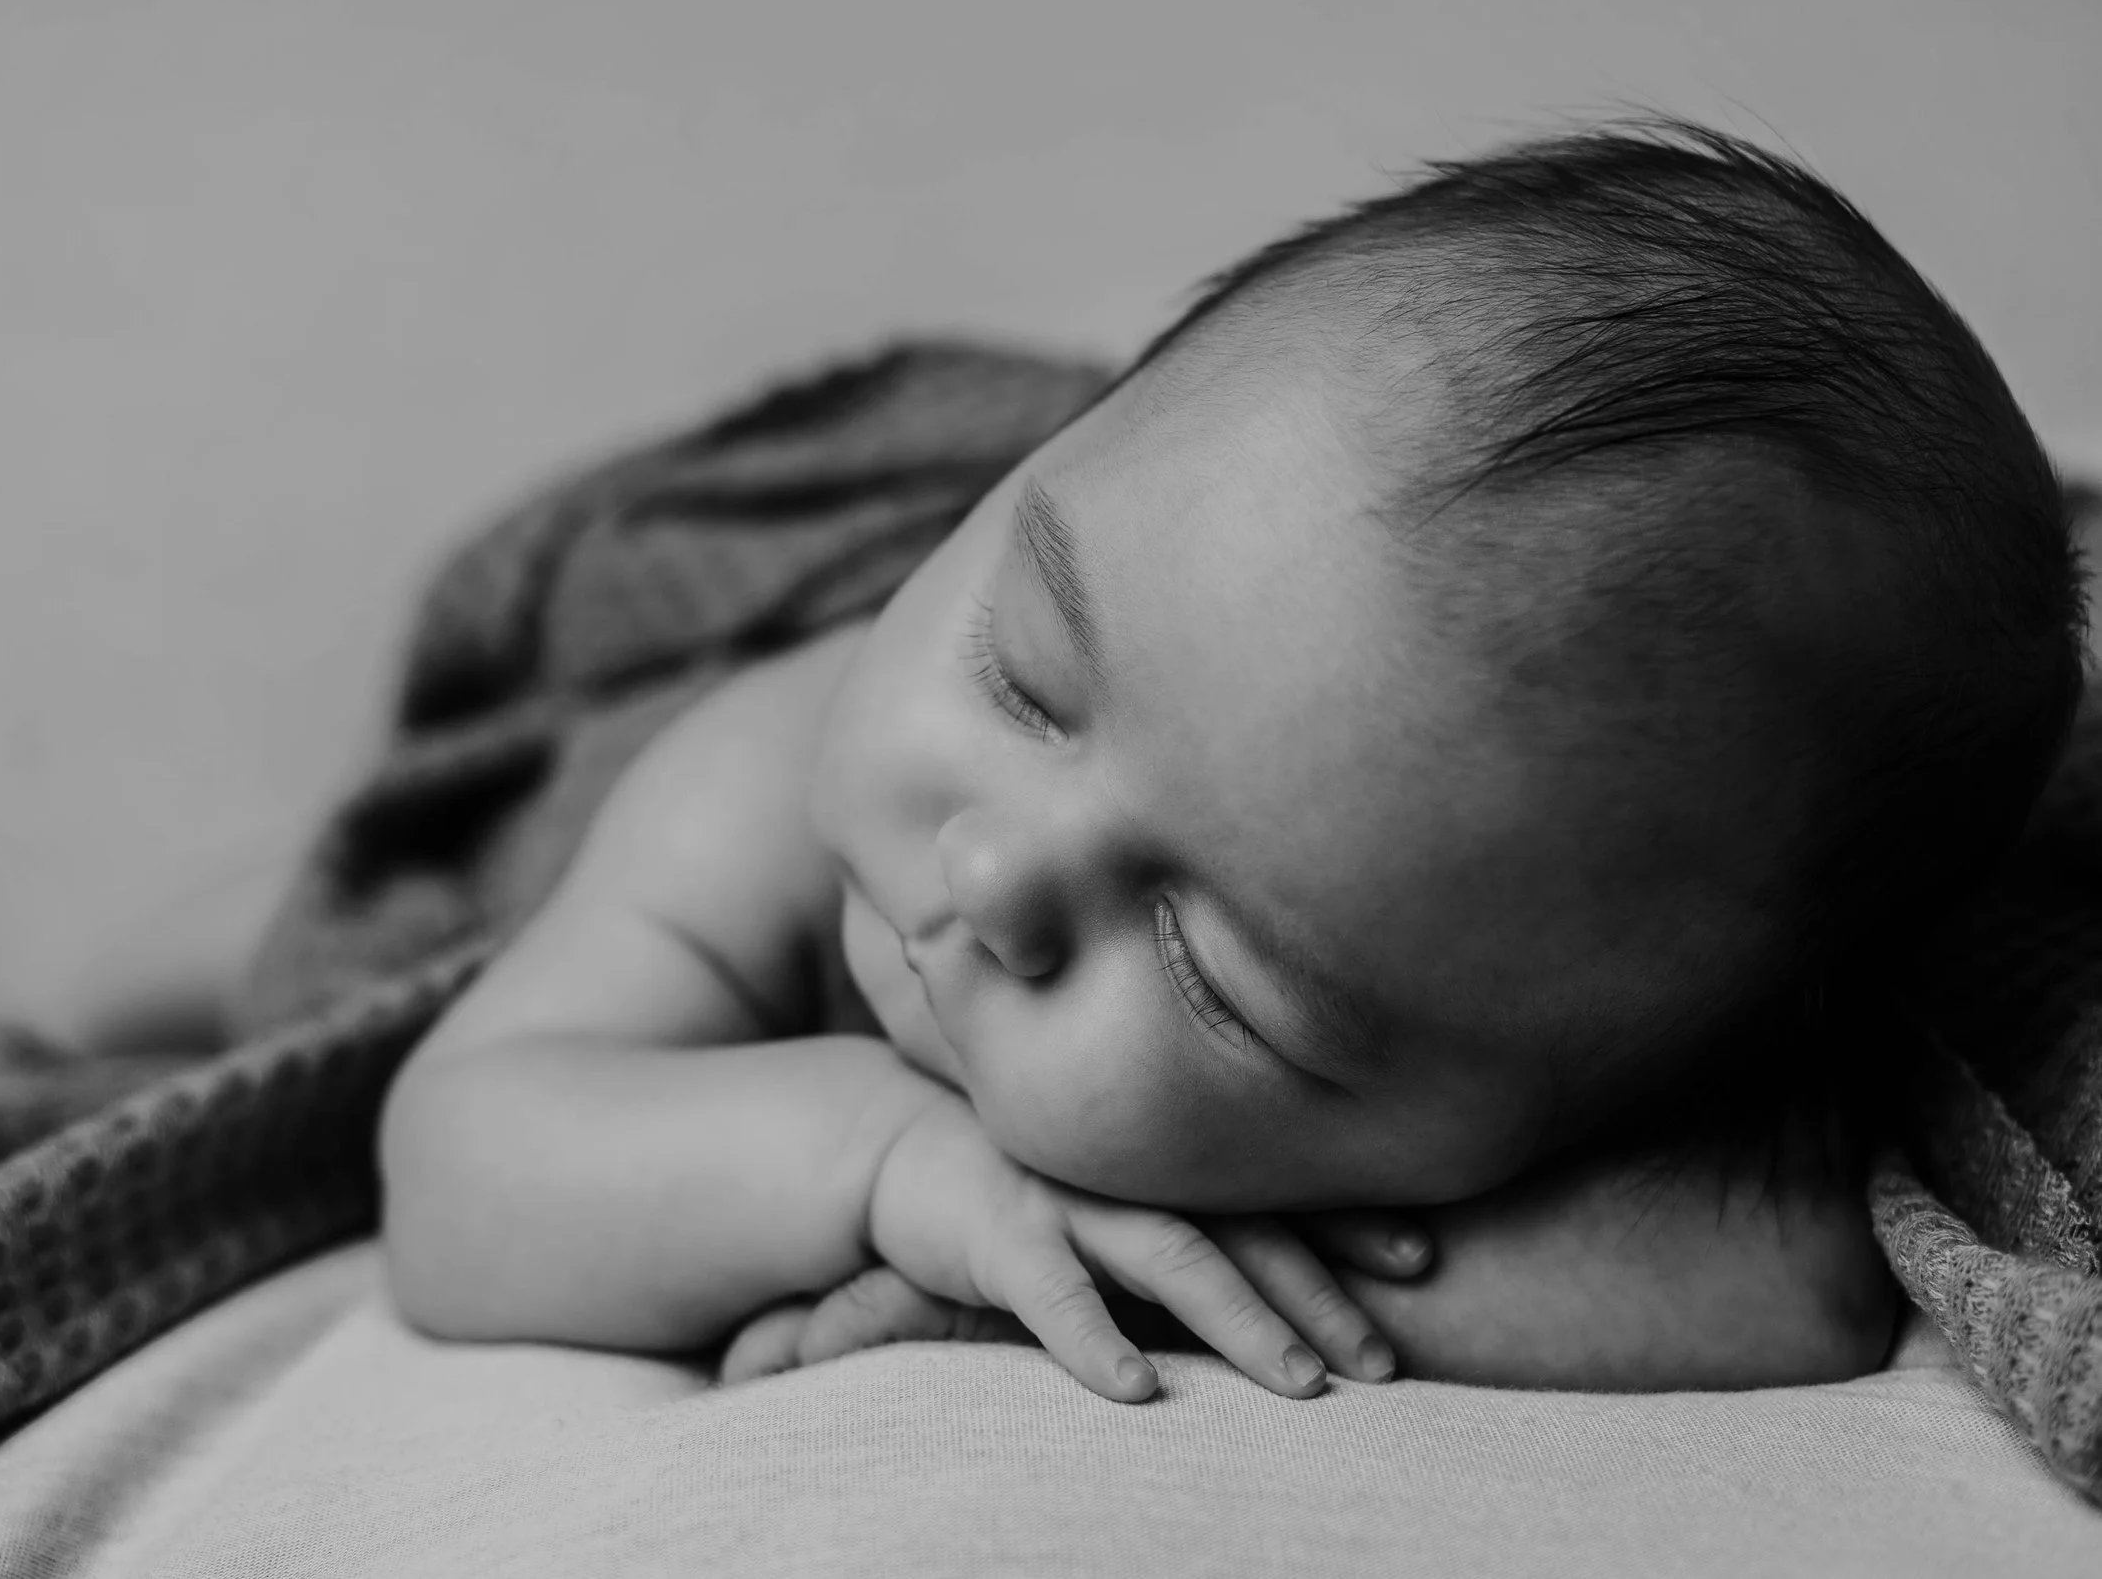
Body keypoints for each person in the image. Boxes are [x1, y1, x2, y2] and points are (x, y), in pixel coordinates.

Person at [376, 122, 2084, 1402]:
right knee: (283, 931)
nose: (996, 875)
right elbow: (461, 1173)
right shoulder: (760, 771)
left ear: (1516, 1132)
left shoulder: (1605, 1020)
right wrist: (888, 1169)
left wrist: (1126, 1275)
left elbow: (1785, 1289)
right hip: (550, 799)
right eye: (1027, 681)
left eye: (1218, 980)